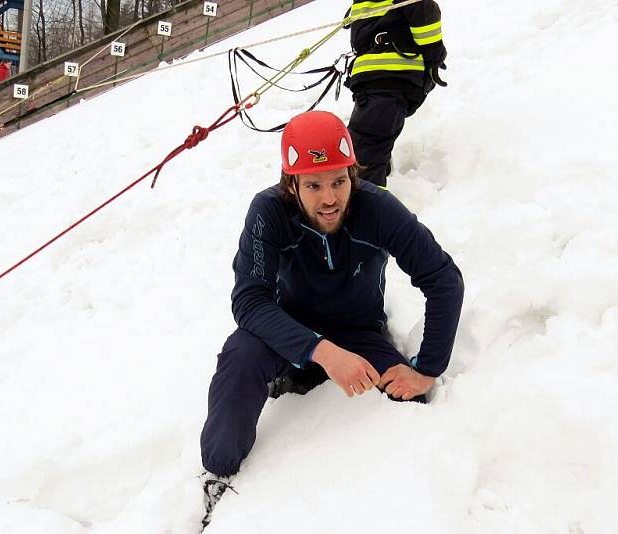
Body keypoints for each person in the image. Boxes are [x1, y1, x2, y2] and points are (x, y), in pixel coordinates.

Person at [198, 110, 463, 527]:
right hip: (289, 328)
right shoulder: (268, 212)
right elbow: (249, 300)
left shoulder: (378, 208)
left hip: (357, 330)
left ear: (352, 175)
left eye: (339, 181)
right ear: (292, 185)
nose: (329, 198)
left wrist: (427, 370)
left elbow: (443, 278)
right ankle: (217, 474)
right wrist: (320, 350)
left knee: (411, 399)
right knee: (240, 356)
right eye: (314, 185)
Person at [346, 0, 448, 187]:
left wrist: (435, 56)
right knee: (364, 150)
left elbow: (423, 10)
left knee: (363, 155)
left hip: (387, 79)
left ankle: (371, 209)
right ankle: (376, 196)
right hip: (382, 81)